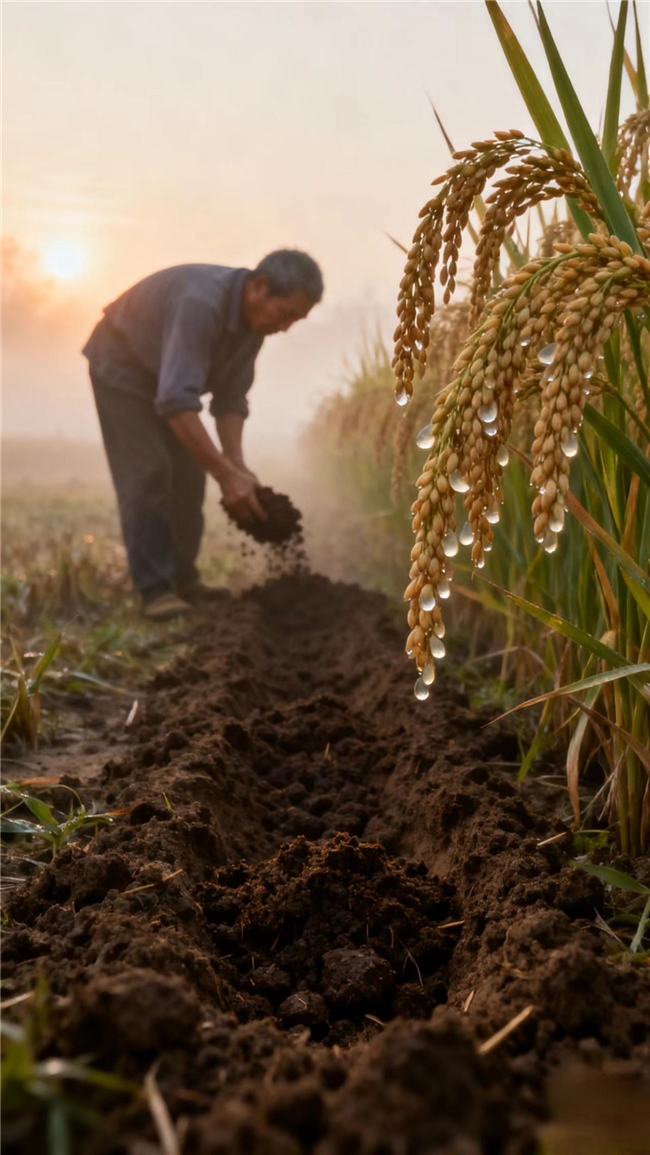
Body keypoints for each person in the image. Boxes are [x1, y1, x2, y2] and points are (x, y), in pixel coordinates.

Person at [83, 249, 323, 620]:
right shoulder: (201, 304)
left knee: (189, 477)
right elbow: (177, 401)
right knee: (149, 471)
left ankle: (183, 578)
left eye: (297, 320)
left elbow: (230, 400)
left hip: (166, 381)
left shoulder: (254, 327)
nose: (287, 326)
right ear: (260, 287)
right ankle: (156, 590)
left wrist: (237, 466)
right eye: (286, 313)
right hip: (123, 365)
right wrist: (226, 476)